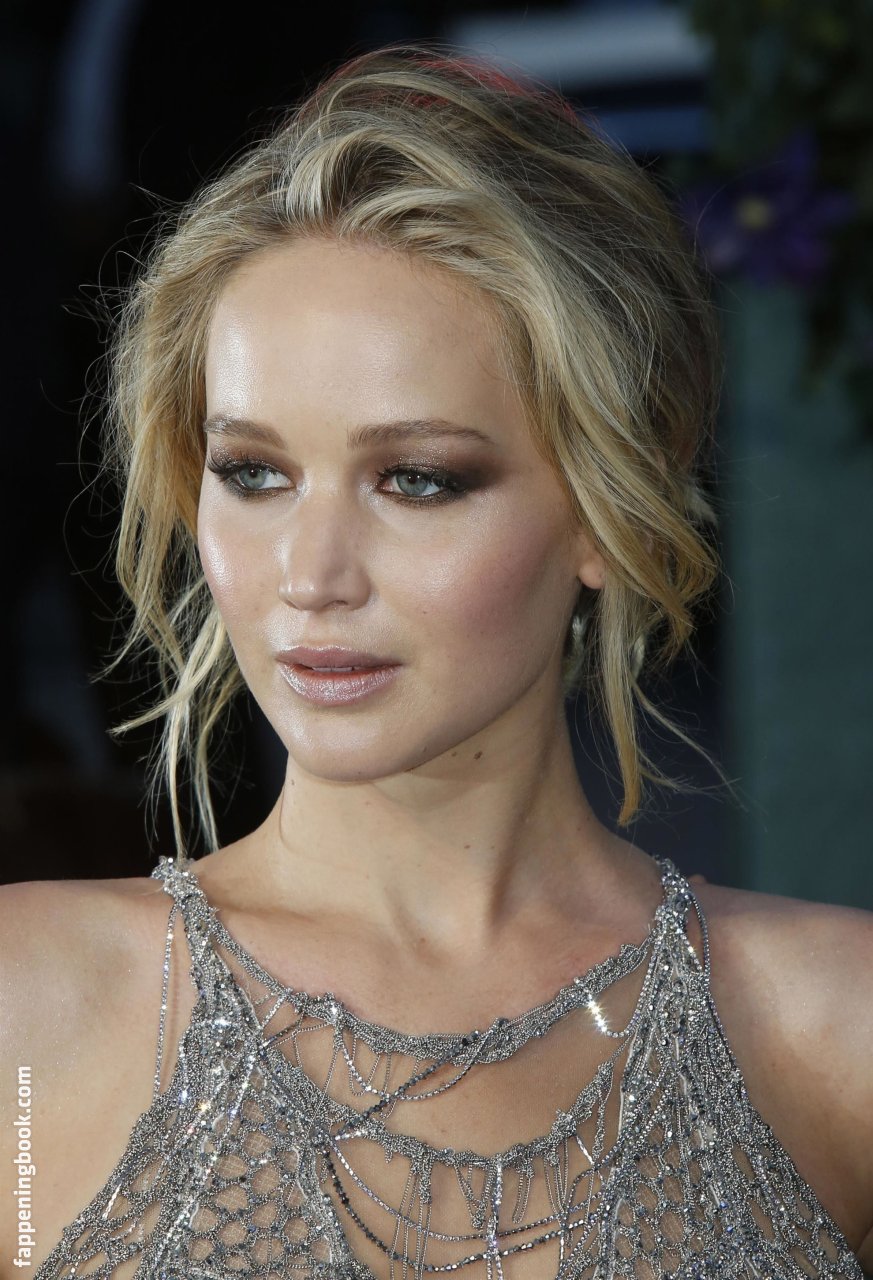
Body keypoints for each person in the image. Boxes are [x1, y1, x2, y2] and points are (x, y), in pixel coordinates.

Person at [1, 42, 871, 1280]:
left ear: (605, 506)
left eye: (416, 479)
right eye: (253, 472)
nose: (312, 573)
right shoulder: (26, 1007)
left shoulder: (836, 1030)